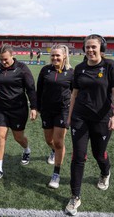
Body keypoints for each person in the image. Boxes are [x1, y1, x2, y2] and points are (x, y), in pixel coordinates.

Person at [65, 34, 114, 216]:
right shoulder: (80, 68)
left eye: (93, 47)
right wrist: (69, 118)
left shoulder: (110, 66)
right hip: (80, 118)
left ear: (101, 48)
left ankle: (105, 172)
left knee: (99, 153)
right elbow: (74, 95)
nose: (90, 50)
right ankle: (75, 196)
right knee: (78, 156)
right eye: (87, 47)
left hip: (102, 119)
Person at [0, 44, 37, 185]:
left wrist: (34, 107)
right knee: (0, 137)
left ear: (12, 56)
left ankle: (26, 149)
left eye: (5, 59)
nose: (3, 62)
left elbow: (31, 89)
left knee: (18, 137)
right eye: (1, 59)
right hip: (0, 108)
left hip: (18, 109)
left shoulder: (22, 69)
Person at [36, 44, 74, 189]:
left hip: (63, 111)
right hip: (46, 110)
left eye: (58, 55)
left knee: (59, 142)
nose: (55, 58)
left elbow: (75, 94)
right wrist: (36, 108)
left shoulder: (71, 72)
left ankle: (56, 174)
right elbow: (38, 91)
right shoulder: (45, 70)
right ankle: (53, 151)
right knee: (49, 140)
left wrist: (73, 112)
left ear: (64, 56)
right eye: (53, 55)